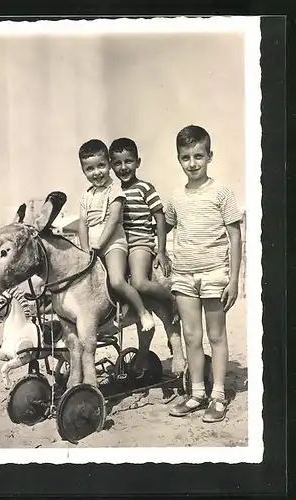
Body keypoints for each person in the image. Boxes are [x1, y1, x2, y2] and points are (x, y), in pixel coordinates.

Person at [165, 125, 242, 423]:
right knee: (191, 336)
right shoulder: (175, 198)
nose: (193, 163)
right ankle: (197, 393)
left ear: (210, 156)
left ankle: (218, 395)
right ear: (179, 159)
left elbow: (235, 236)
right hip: (184, 276)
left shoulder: (222, 193)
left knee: (216, 336)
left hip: (214, 275)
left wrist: (234, 280)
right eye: (186, 157)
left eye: (199, 156)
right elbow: (165, 227)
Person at [78, 139, 154, 332]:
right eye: (90, 169)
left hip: (112, 244)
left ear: (109, 166)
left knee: (117, 280)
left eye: (101, 166)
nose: (97, 172)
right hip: (93, 248)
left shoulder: (115, 190)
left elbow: (113, 220)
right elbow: (82, 223)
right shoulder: (86, 195)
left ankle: (142, 312)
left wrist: (99, 246)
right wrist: (85, 248)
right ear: (83, 170)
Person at [109, 137, 178, 324]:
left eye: (128, 161)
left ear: (138, 162)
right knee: (113, 279)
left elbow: (160, 217)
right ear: (110, 166)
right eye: (117, 163)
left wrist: (162, 251)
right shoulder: (113, 191)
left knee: (139, 282)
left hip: (140, 242)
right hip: (120, 244)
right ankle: (126, 310)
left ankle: (171, 300)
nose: (123, 167)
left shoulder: (145, 188)